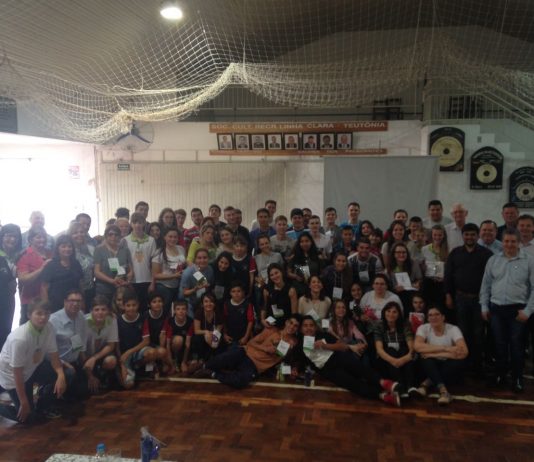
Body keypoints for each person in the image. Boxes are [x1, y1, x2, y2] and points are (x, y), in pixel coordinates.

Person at [296, 316, 401, 406]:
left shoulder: (323, 335)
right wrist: (295, 370)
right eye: (305, 326)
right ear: (301, 329)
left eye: (311, 325)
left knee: (360, 368)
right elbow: (299, 363)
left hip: (338, 357)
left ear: (315, 327)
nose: (308, 328)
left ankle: (383, 382)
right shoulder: (299, 346)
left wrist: (325, 346)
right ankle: (381, 395)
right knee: (352, 384)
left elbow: (343, 346)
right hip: (328, 370)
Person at [480, 229, 534, 392]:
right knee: (499, 344)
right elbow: (486, 285)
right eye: (506, 241)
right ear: (502, 242)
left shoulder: (529, 261)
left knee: (517, 346)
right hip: (496, 309)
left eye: (513, 241)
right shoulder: (493, 260)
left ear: (518, 242)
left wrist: (528, 311)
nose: (509, 244)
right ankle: (500, 375)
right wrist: (484, 306)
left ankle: (517, 378)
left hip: (518, 311)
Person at [0, 299, 66, 423]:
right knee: (28, 418)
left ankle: (43, 405)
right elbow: (17, 373)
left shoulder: (49, 328)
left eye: (46, 313)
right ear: (29, 315)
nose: (43, 317)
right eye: (39, 313)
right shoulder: (19, 339)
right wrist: (23, 402)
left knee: (67, 373)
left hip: (33, 368)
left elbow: (54, 356)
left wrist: (61, 375)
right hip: (12, 377)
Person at [196, 315, 301, 389]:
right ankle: (203, 366)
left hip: (255, 365)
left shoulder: (293, 343)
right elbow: (251, 342)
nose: (292, 327)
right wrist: (264, 348)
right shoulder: (272, 330)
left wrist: (284, 352)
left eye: (295, 326)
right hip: (245, 352)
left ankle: (213, 374)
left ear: (297, 329)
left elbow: (282, 357)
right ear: (286, 322)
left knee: (241, 382)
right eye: (291, 323)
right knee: (225, 357)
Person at [444, 223, 492, 375]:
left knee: (478, 333)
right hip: (460, 298)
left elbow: (491, 278)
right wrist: (448, 295)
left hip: (479, 300)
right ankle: (463, 365)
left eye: (472, 234)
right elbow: (448, 276)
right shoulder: (455, 253)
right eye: (466, 234)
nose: (469, 237)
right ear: (462, 236)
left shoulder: (486, 254)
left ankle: (477, 366)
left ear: (478, 236)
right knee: (462, 332)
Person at [414, 306, 468, 405]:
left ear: (443, 317)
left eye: (437, 314)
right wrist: (446, 348)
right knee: (425, 360)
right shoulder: (423, 328)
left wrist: (434, 354)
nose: (433, 317)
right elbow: (417, 346)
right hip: (432, 364)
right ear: (427, 318)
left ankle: (426, 383)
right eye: (430, 315)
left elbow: (463, 352)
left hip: (447, 363)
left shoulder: (453, 329)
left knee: (459, 362)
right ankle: (444, 392)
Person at [49, 289, 89, 400]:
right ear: (65, 302)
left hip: (73, 362)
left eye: (78, 301)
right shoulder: (53, 320)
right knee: (70, 377)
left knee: (85, 392)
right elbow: (47, 351)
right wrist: (64, 364)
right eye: (72, 300)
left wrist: (84, 362)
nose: (75, 304)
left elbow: (77, 339)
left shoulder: (81, 316)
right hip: (56, 364)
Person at [374, 301, 418, 398]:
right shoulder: (379, 325)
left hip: (403, 356)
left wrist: (402, 360)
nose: (391, 314)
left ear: (399, 314)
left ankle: (410, 386)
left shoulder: (405, 324)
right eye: (388, 311)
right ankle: (400, 386)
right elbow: (379, 350)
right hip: (387, 357)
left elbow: (411, 346)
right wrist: (394, 361)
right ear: (384, 312)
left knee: (404, 350)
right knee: (391, 350)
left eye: (394, 312)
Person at [16, 226, 52, 325]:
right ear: (31, 239)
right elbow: (23, 279)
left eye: (44, 237)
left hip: (48, 299)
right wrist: (42, 268)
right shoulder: (25, 255)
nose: (42, 240)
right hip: (30, 301)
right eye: (38, 237)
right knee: (27, 330)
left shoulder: (50, 253)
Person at [116, 289, 151, 388]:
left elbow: (146, 341)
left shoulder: (142, 318)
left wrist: (129, 352)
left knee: (151, 353)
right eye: (128, 305)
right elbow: (116, 344)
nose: (131, 308)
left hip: (137, 352)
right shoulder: (118, 320)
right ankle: (124, 369)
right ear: (123, 306)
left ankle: (137, 367)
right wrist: (121, 362)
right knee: (128, 385)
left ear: (138, 305)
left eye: (134, 305)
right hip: (123, 355)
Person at [84, 295, 119, 393]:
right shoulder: (83, 322)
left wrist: (94, 358)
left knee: (111, 361)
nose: (100, 312)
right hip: (83, 357)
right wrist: (89, 375)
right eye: (96, 309)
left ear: (108, 311)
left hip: (100, 355)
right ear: (91, 311)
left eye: (103, 309)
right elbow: (78, 349)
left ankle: (101, 375)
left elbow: (111, 345)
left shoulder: (112, 320)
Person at [40, 235, 84, 313]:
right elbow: (44, 287)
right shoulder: (51, 265)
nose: (67, 249)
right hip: (56, 305)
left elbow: (80, 284)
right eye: (63, 246)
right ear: (58, 248)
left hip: (74, 304)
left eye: (69, 246)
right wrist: (46, 307)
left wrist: (82, 303)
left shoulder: (76, 263)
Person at [151, 226, 186, 316]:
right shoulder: (159, 252)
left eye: (175, 237)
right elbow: (155, 275)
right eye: (170, 236)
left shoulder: (181, 249)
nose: (173, 239)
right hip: (164, 287)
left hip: (179, 285)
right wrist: (174, 276)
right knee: (164, 311)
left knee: (177, 312)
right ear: (165, 237)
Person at [93, 225, 133, 301]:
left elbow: (130, 270)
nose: (113, 237)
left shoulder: (125, 250)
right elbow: (96, 272)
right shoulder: (99, 249)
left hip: (121, 287)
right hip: (104, 288)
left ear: (120, 236)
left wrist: (128, 281)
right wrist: (112, 281)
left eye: (116, 235)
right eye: (110, 234)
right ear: (106, 236)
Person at [142, 291, 174, 375]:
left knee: (162, 353)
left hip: (158, 343)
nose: (157, 304)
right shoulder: (145, 316)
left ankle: (160, 363)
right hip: (146, 344)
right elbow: (144, 338)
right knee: (150, 359)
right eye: (154, 302)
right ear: (149, 304)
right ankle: (147, 366)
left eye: (159, 301)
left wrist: (161, 352)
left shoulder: (165, 314)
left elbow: (162, 335)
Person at [189, 293, 223, 371]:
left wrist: (212, 338)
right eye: (206, 301)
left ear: (215, 303)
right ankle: (198, 359)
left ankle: (207, 362)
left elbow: (218, 332)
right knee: (197, 338)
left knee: (217, 343)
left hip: (213, 338)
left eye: (211, 301)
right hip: (201, 337)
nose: (209, 304)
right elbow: (196, 331)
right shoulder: (199, 312)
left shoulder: (218, 314)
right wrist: (206, 332)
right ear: (202, 303)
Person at [0, 223, 22, 344]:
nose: (12, 239)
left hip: (8, 299)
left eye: (15, 237)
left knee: (6, 331)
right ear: (2, 236)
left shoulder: (16, 256)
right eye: (8, 236)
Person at [386, 242, 422, 310]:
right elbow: (387, 285)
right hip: (396, 293)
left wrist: (417, 283)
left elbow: (419, 279)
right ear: (394, 254)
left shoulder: (414, 263)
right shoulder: (389, 267)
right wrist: (394, 289)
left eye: (404, 252)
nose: (401, 254)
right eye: (398, 252)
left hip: (411, 292)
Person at [179, 248, 214, 317]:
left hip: (202, 299)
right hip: (187, 301)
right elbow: (184, 293)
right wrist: (195, 289)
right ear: (195, 259)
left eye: (205, 258)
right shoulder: (187, 273)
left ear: (208, 259)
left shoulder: (210, 270)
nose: (202, 260)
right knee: (191, 319)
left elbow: (209, 286)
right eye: (199, 258)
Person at [68, 221, 95, 311]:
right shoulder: (67, 250)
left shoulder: (91, 248)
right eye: (75, 233)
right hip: (73, 290)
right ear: (70, 235)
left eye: (81, 232)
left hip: (90, 288)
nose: (79, 235)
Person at [261, 263, 298, 328]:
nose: (275, 276)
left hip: (285, 325)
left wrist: (289, 326)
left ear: (281, 272)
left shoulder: (291, 290)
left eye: (276, 273)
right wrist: (262, 320)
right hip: (270, 323)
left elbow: (294, 314)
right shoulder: (267, 289)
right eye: (272, 275)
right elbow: (264, 307)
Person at [421, 225, 448, 310]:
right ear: (431, 235)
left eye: (440, 235)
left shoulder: (448, 249)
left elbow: (450, 269)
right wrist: (423, 267)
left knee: (440, 308)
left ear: (443, 236)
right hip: (428, 283)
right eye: (435, 235)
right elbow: (422, 267)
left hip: (442, 284)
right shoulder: (424, 249)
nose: (437, 237)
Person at [287, 232, 323, 297]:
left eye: (307, 241)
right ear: (299, 243)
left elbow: (322, 273)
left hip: (314, 287)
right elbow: (288, 273)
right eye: (302, 241)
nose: (304, 243)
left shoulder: (318, 255)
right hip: (299, 287)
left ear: (311, 242)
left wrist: (316, 281)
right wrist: (296, 276)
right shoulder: (295, 256)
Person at [223, 282, 254, 348]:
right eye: (233, 291)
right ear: (230, 293)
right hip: (230, 336)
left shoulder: (248, 304)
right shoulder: (226, 304)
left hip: (243, 336)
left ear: (243, 292)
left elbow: (250, 321)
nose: (236, 294)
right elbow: (224, 320)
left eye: (239, 291)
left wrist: (246, 337)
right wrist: (225, 334)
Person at [169, 299, 193, 373]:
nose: (181, 311)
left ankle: (182, 361)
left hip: (184, 348)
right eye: (178, 309)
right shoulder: (170, 321)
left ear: (187, 311)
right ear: (174, 311)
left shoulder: (190, 322)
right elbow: (167, 343)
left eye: (183, 309)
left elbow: (188, 343)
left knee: (188, 369)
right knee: (178, 340)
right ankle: (174, 361)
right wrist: (171, 363)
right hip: (172, 347)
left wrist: (184, 362)